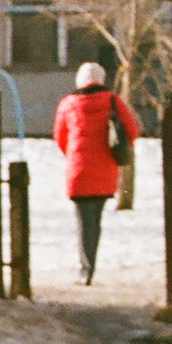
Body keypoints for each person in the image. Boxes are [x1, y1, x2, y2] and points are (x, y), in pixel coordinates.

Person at [52, 60, 143, 286]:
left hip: (78, 172)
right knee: (95, 220)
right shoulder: (113, 100)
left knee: (84, 221)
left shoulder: (68, 103)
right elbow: (132, 130)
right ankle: (90, 265)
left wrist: (73, 154)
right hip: (105, 171)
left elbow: (59, 137)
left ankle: (86, 268)